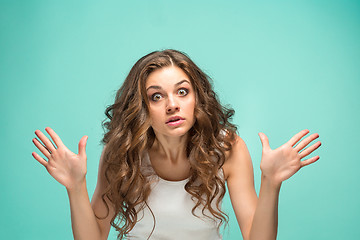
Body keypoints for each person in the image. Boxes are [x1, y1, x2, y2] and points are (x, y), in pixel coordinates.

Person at [31, 49, 321, 240]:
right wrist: (75, 187)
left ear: (197, 98)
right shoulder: (122, 152)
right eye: (157, 96)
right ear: (141, 107)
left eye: (182, 92)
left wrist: (271, 183)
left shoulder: (227, 149)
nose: (172, 105)